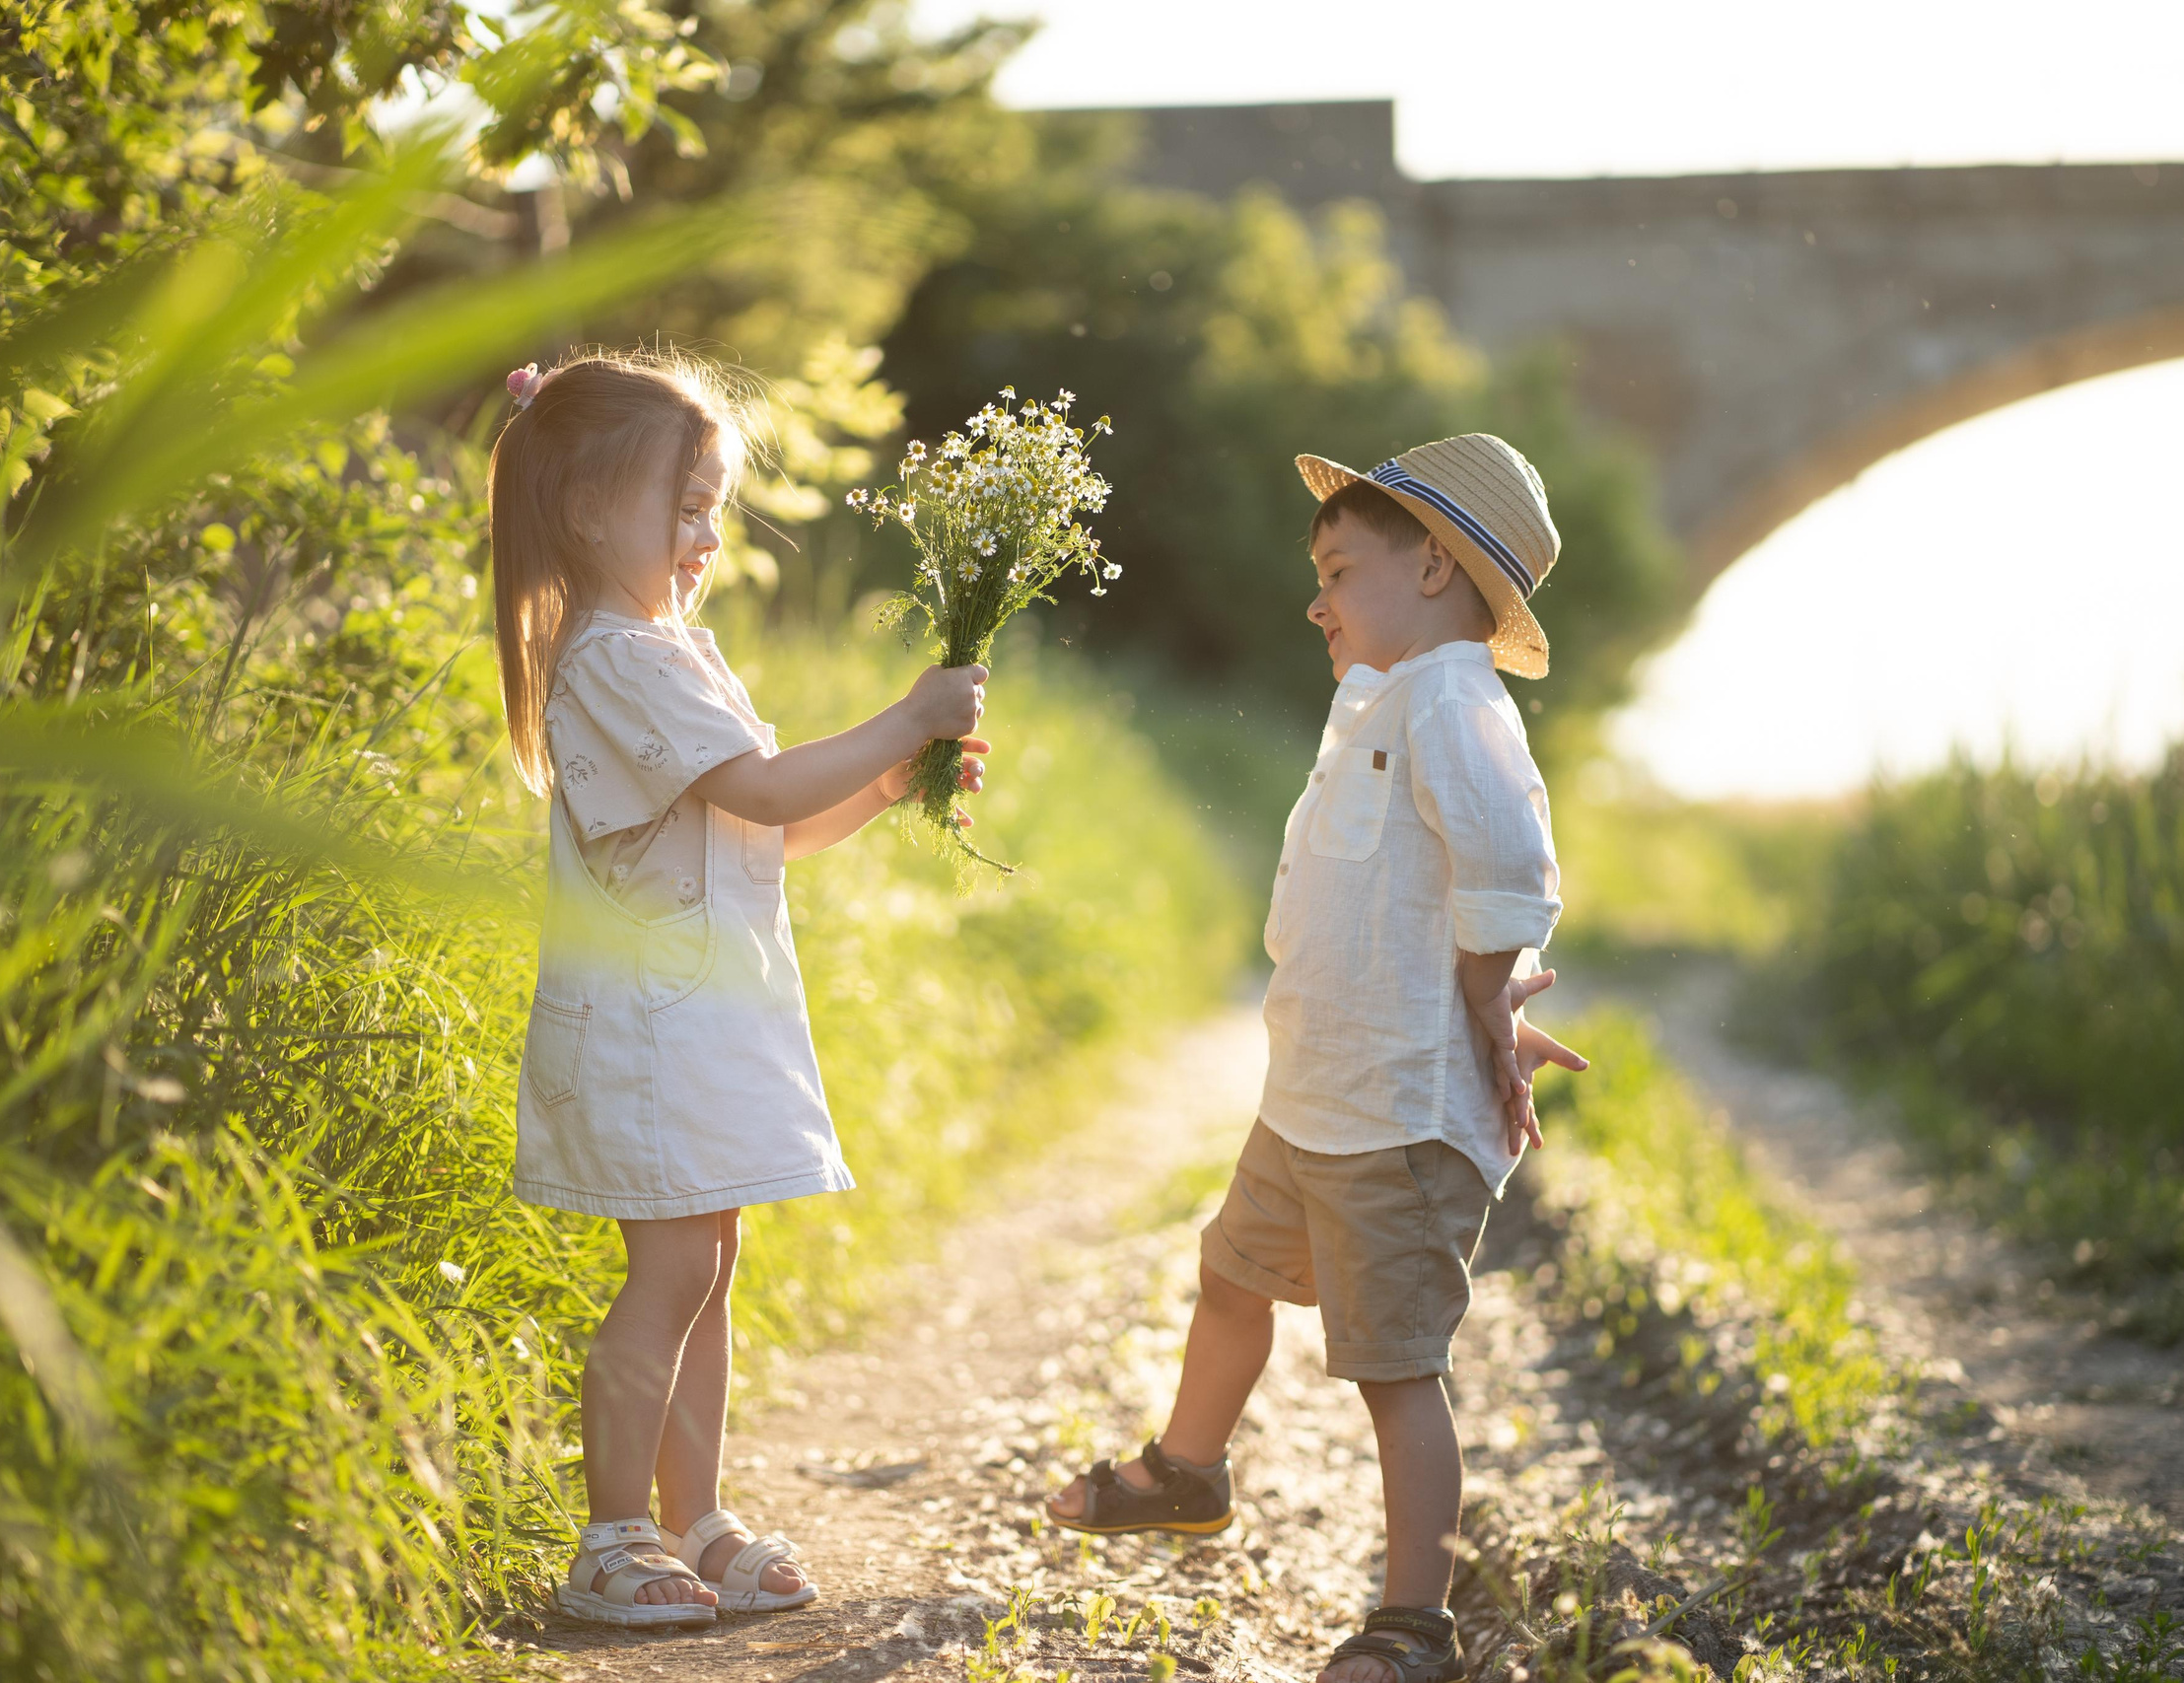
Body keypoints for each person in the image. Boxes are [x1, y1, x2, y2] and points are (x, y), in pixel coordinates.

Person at [1044, 435, 1587, 1683]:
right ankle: (1188, 1470)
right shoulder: (1384, 699)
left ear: (1435, 568)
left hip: (1396, 1113)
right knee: (1230, 1276)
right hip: (1313, 1098)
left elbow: (1508, 870)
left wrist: (1489, 1002)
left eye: (1338, 572)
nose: (1315, 601)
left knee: (1394, 1369)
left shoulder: (1452, 702)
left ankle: (1414, 1621)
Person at [490, 351, 991, 1627]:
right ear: (589, 509)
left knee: (708, 1268)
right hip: (648, 1032)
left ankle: (694, 1513)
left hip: (702, 1018)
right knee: (669, 1275)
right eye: (686, 506)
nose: (708, 537)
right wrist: (905, 717)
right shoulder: (614, 659)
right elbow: (763, 789)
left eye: (713, 509)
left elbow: (772, 826)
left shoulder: (675, 652)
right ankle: (612, 1534)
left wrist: (888, 782)